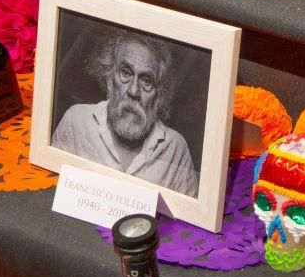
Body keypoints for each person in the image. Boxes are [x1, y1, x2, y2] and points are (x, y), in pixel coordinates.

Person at [50, 28, 197, 195]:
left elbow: (185, 218)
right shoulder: (76, 120)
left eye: (146, 80)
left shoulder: (176, 147)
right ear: (109, 75)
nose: (134, 91)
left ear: (159, 92)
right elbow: (50, 191)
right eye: (126, 73)